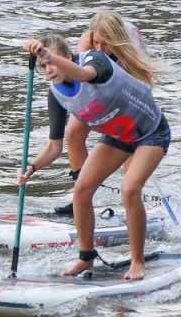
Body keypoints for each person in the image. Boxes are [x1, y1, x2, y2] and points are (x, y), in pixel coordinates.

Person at [17, 20, 169, 281]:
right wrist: (30, 168)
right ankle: (86, 258)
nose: (49, 70)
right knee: (81, 190)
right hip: (119, 137)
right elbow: (54, 146)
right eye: (43, 66)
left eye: (52, 63)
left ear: (67, 57)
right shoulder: (56, 94)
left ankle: (137, 262)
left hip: (151, 132)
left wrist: (47, 53)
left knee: (129, 190)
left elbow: (84, 75)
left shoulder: (95, 60)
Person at [23, 14, 151, 217]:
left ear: (116, 40)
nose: (99, 49)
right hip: (95, 78)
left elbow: (139, 90)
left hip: (126, 83)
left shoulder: (130, 50)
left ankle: (132, 198)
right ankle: (81, 198)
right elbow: (81, 80)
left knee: (127, 141)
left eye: (105, 44)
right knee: (73, 132)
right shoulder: (87, 45)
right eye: (96, 42)